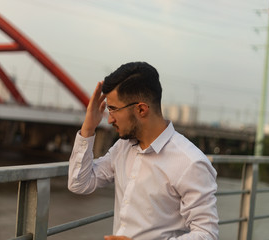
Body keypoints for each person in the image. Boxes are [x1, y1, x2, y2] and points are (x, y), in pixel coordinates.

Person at [68, 62, 219, 240]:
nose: (109, 120)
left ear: (141, 109)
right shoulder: (123, 147)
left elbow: (207, 234)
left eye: (113, 109)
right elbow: (79, 183)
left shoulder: (190, 162)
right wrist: (88, 128)